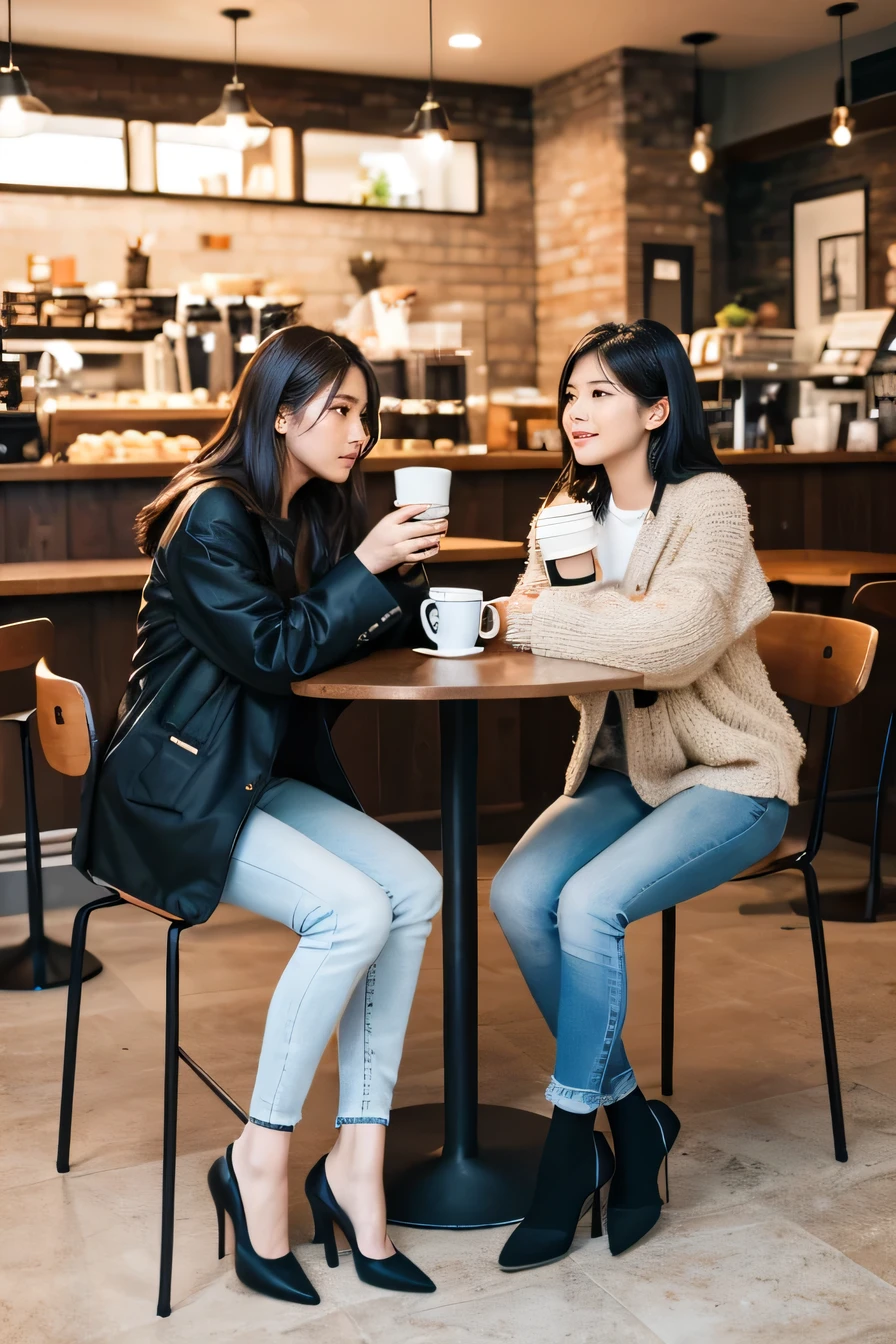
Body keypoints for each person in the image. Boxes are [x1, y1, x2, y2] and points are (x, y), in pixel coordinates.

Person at [79, 326, 445, 1304]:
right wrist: (365, 565)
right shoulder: (211, 516)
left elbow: (338, 629)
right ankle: (259, 1157)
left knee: (415, 885)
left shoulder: (309, 513)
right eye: (341, 411)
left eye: (366, 412)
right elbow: (279, 652)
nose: (360, 432)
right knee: (352, 912)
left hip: (245, 777)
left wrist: (420, 592)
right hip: (173, 795)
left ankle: (355, 1165)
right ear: (279, 413)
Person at [490, 319, 805, 1269]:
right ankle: (634, 1122)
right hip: (632, 775)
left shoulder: (709, 503)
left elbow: (673, 647)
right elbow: (531, 637)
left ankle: (567, 1145)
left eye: (601, 394)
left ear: (656, 408)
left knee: (588, 905)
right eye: (571, 393)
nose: (576, 412)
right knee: (516, 896)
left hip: (733, 773)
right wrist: (583, 608)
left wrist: (573, 612)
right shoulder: (567, 511)